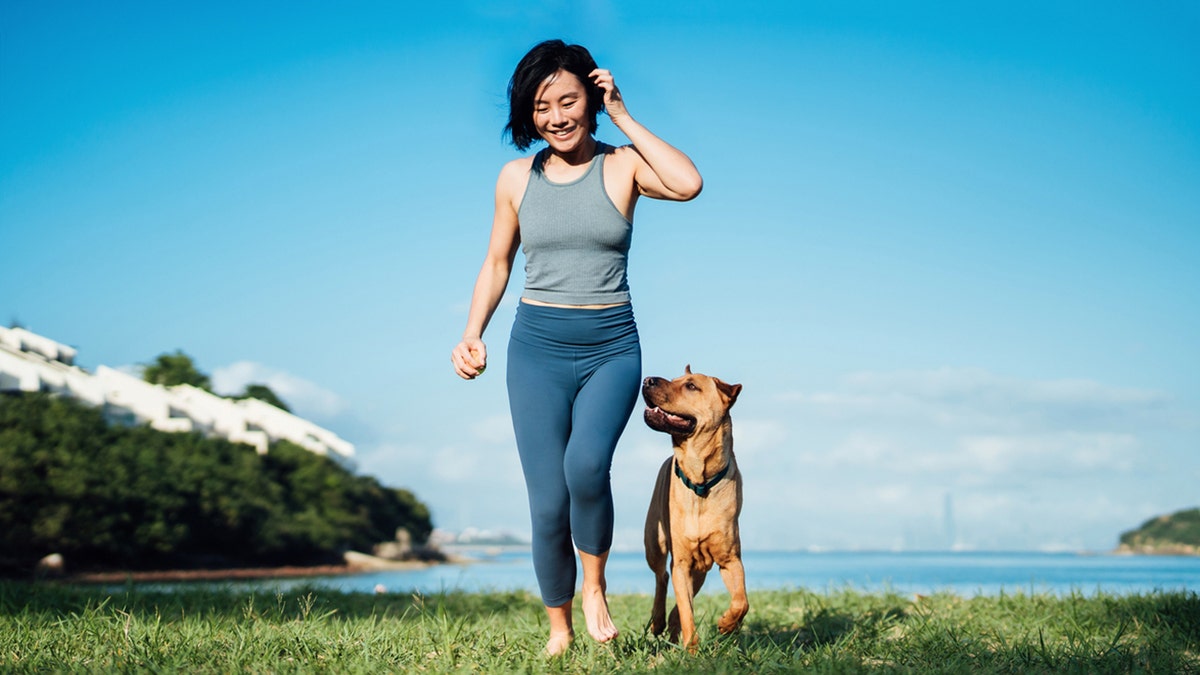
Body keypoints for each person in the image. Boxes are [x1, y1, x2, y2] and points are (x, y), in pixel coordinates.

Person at [450, 39, 702, 656]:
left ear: (590, 98)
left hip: (610, 347)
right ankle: (559, 630)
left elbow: (688, 183)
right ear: (527, 113)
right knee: (546, 501)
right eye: (541, 105)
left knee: (586, 467)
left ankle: (595, 588)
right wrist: (471, 333)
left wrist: (624, 114)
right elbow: (496, 262)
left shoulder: (623, 166)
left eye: (568, 100)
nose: (556, 116)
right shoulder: (516, 178)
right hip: (535, 348)